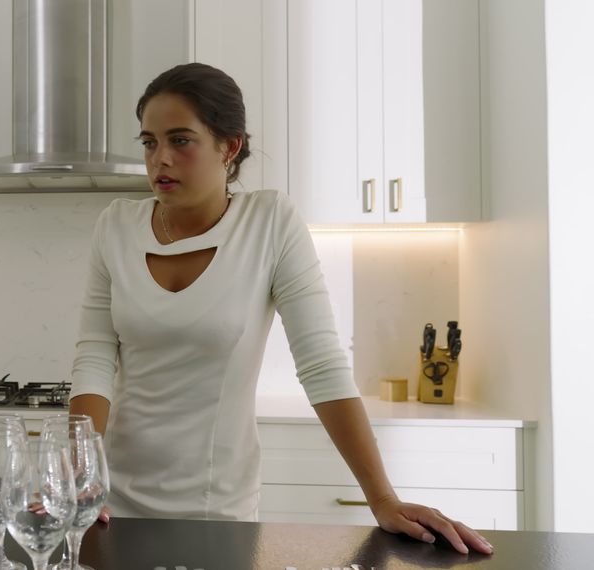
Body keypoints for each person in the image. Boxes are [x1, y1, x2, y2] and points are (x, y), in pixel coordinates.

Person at [68, 62, 493, 555]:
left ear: (229, 147)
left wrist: (382, 498)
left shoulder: (269, 221)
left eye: (180, 140)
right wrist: (83, 478)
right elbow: (94, 360)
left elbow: (321, 365)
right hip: (111, 506)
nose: (160, 159)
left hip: (216, 513)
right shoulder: (114, 226)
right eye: (149, 142)